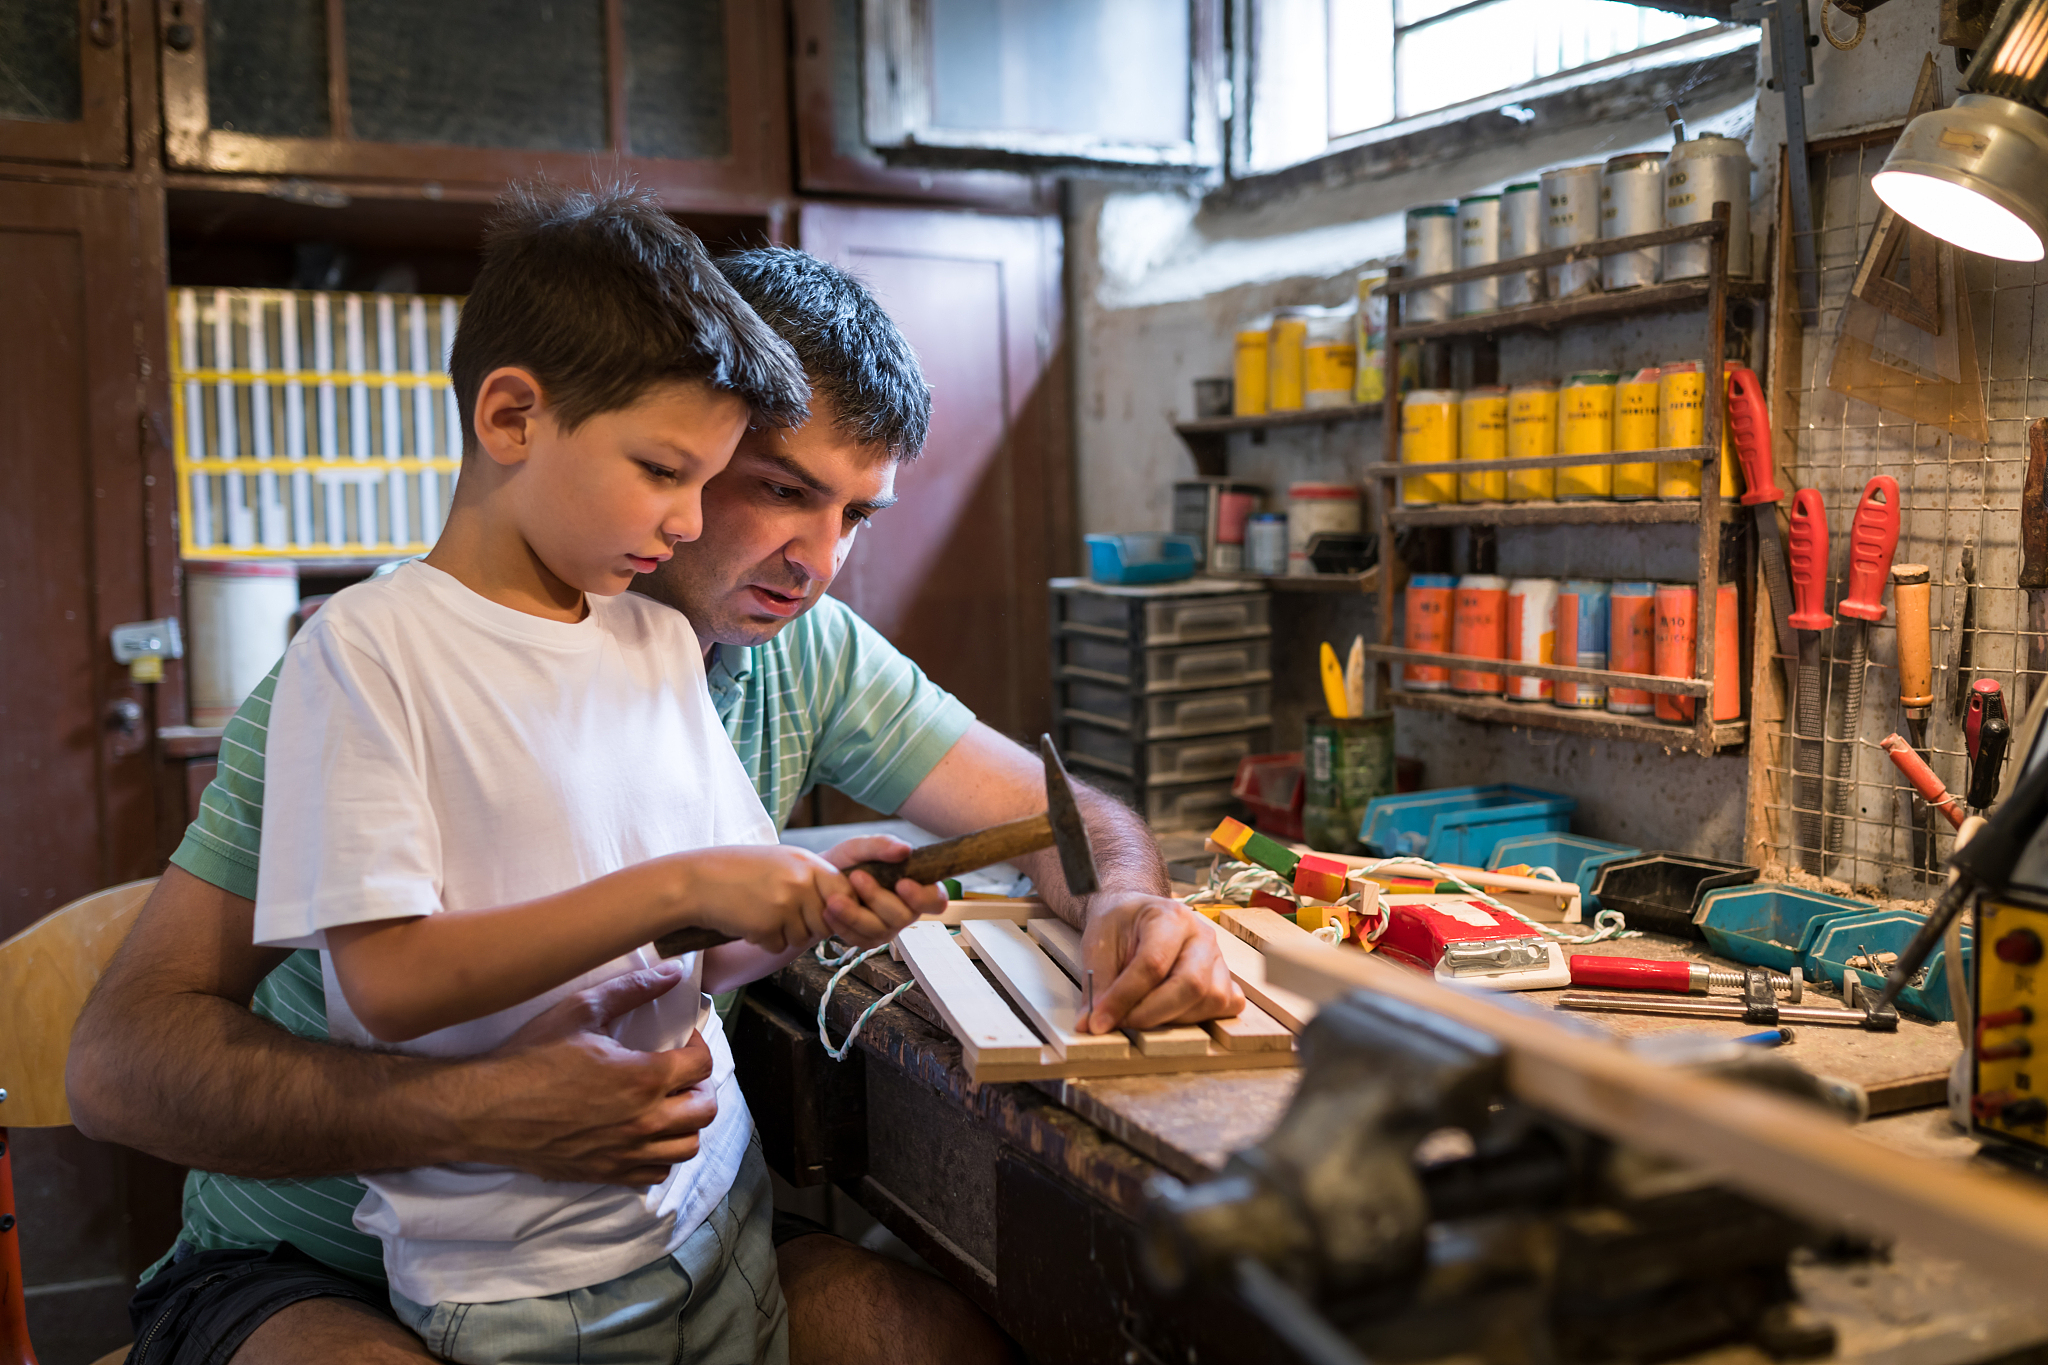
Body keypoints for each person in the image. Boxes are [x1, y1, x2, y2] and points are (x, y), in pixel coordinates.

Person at [69, 231, 1243, 1365]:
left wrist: (1123, 907)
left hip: (651, 1242)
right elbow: (121, 1063)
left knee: (921, 1338)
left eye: (855, 515)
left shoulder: (792, 644)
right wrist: (471, 1112)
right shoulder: (377, 667)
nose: (815, 560)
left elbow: (1055, 811)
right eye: (775, 487)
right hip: (317, 1262)